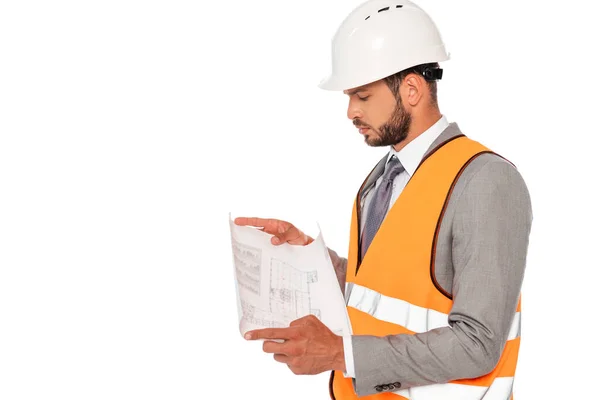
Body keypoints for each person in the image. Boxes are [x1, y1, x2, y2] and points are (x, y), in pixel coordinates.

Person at [235, 0, 533, 398]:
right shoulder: (381, 179)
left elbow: (477, 344)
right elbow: (382, 294)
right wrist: (311, 259)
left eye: (362, 95)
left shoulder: (486, 181)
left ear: (411, 89)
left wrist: (343, 354)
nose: (349, 111)